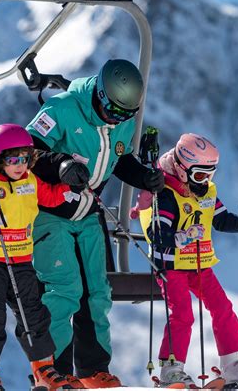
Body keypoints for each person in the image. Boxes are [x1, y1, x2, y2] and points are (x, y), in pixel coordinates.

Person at [26, 59, 165, 388]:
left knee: (97, 293)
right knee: (63, 292)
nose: (118, 120)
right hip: (51, 214)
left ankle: (91, 371)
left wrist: (143, 177)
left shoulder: (121, 123)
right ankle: (53, 374)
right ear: (100, 96)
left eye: (125, 115)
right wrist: (60, 165)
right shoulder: (61, 110)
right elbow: (27, 152)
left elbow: (119, 157)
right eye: (114, 112)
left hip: (88, 214)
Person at [0, 124, 84, 390]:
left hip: (21, 260)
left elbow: (49, 197)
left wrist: (69, 185)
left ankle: (43, 368)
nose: (19, 165)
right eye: (12, 159)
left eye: (25, 158)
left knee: (33, 313)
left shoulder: (29, 180)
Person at [134, 133, 238, 388]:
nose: (205, 181)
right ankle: (171, 369)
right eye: (199, 175)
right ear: (182, 170)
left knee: (222, 307)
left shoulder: (206, 191)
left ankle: (232, 363)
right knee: (183, 314)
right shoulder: (165, 193)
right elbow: (156, 232)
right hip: (172, 265)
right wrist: (178, 238)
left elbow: (219, 219)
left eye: (210, 175)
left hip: (199, 263)